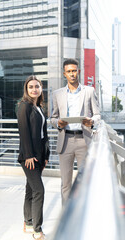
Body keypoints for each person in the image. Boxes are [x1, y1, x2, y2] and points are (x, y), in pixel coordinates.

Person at [50, 58, 100, 204]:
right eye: (69, 71)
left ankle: (83, 215)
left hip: (84, 140)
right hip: (65, 141)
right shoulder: (57, 94)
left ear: (78, 72)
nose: (72, 74)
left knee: (85, 181)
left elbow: (97, 114)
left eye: (74, 71)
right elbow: (52, 118)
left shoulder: (89, 91)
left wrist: (92, 121)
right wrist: (57, 123)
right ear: (64, 74)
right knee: (66, 183)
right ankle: (66, 217)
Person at [17, 75, 50, 240]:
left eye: (37, 86)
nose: (34, 89)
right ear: (26, 89)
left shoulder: (39, 108)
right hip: (28, 157)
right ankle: (37, 230)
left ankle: (28, 223)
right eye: (31, 87)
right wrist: (29, 155)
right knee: (39, 190)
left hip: (39, 156)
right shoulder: (24, 106)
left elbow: (43, 135)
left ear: (41, 88)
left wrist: (46, 155)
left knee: (30, 189)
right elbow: (24, 133)